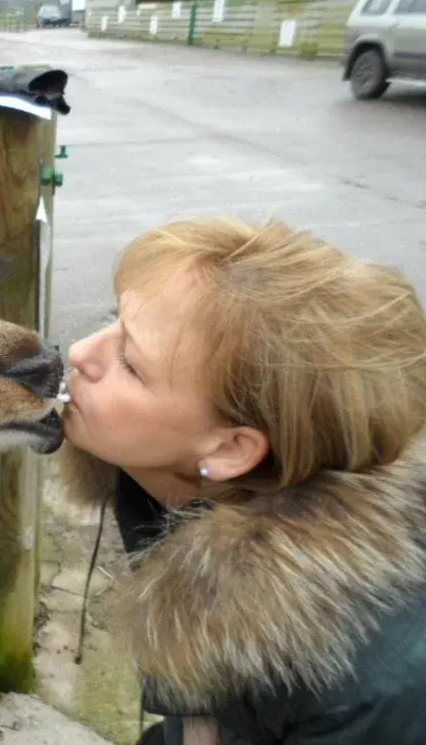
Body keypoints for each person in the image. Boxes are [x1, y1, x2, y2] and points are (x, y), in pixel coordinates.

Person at [56, 217, 426, 744]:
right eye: (113, 319)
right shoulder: (180, 488)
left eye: (130, 364)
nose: (79, 352)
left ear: (231, 449)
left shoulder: (366, 687)